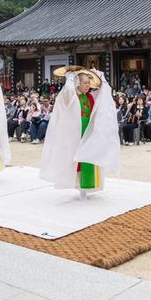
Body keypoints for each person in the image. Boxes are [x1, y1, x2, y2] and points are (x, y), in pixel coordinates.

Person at [40, 66, 119, 200]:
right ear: (78, 83)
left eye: (89, 83)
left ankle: (88, 186)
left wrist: (101, 78)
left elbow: (103, 95)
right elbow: (67, 93)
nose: (87, 86)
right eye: (84, 83)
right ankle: (80, 187)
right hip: (75, 132)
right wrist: (70, 78)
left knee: (89, 157)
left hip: (88, 130)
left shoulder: (90, 97)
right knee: (77, 160)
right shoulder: (72, 96)